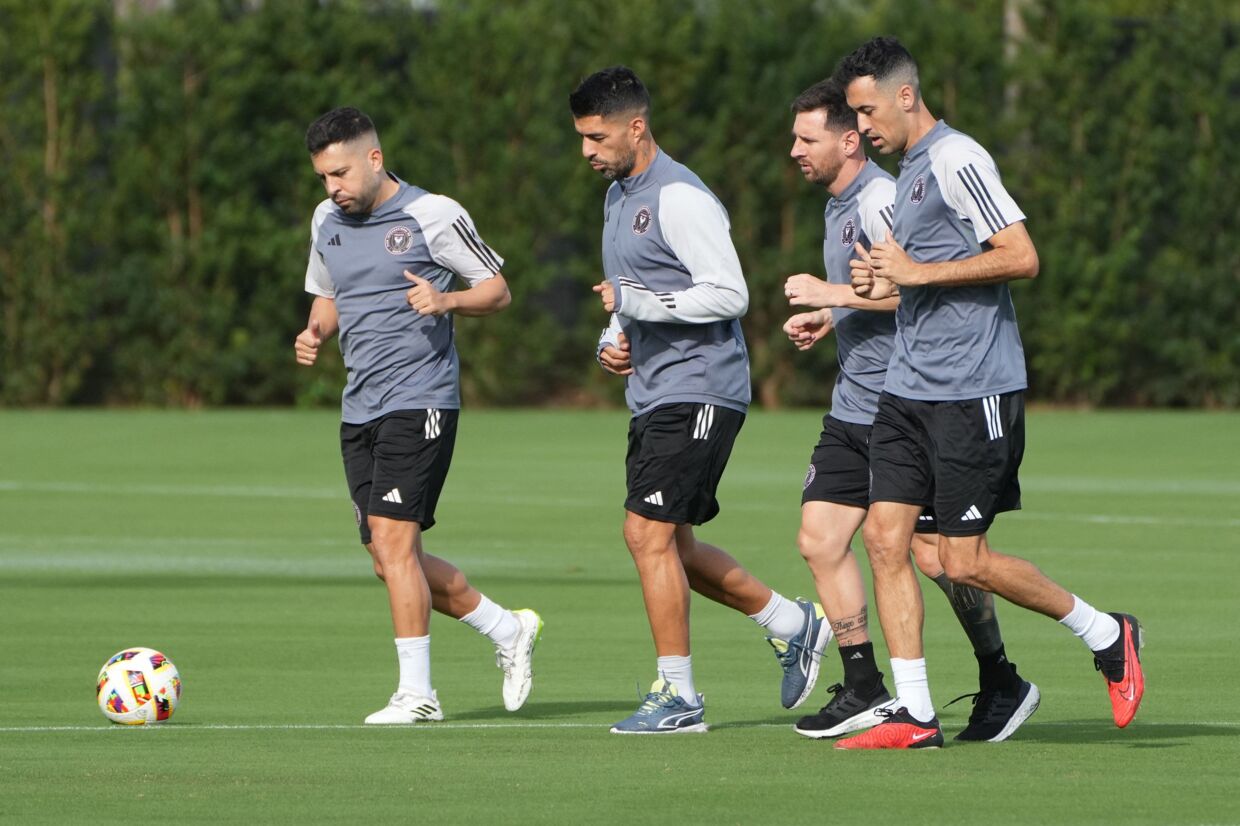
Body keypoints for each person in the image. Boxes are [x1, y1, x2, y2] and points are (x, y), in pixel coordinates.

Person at [829, 37, 1144, 749]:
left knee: (963, 561)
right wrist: (881, 283)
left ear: (905, 95)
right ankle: (915, 714)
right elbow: (919, 273)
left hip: (974, 391)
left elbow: (1020, 255)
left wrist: (916, 274)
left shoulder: (956, 158)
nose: (862, 126)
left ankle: (1106, 633)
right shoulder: (909, 173)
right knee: (884, 538)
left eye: (868, 111)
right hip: (908, 389)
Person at [569, 66, 831, 734]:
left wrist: (637, 304)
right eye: (582, 137)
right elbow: (630, 294)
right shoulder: (618, 196)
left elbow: (729, 292)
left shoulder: (680, 196)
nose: (587, 150)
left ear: (636, 127)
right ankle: (792, 622)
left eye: (597, 137)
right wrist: (612, 340)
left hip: (702, 385)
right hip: (654, 391)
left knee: (645, 533)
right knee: (674, 546)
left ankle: (679, 696)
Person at [781, 77, 1040, 743]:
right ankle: (866, 686)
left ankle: (1000, 676)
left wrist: (834, 293)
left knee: (938, 558)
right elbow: (881, 288)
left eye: (807, 139)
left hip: (906, 402)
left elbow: (911, 290)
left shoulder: (882, 198)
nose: (795, 151)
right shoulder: (839, 205)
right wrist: (832, 314)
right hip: (855, 406)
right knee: (821, 539)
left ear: (847, 141)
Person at [293, 107, 542, 725]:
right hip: (360, 406)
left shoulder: (434, 214)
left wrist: (445, 299)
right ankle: (506, 627)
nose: (333, 187)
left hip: (422, 398)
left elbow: (497, 290)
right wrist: (315, 332)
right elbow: (329, 297)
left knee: (395, 542)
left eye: (341, 173)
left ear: (374, 159)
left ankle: (418, 695)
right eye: (324, 177)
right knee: (387, 557)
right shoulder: (326, 220)